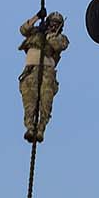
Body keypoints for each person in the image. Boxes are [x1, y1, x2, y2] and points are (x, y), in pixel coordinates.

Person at [18, 11, 68, 143]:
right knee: (30, 101)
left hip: (47, 73)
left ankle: (40, 129)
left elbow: (58, 45)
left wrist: (48, 35)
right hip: (31, 71)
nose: (53, 26)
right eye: (51, 23)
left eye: (56, 24)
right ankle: (30, 128)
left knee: (45, 102)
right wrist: (36, 18)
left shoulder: (60, 38)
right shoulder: (36, 32)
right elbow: (23, 29)